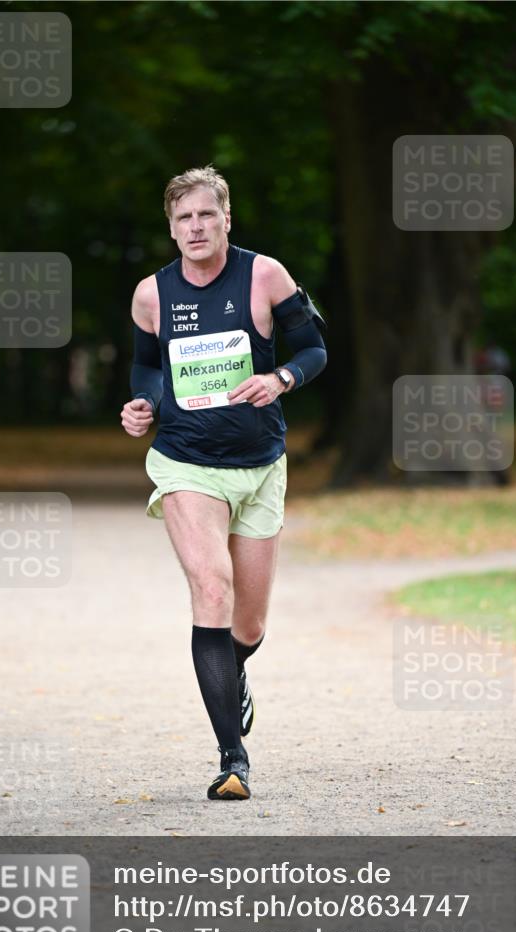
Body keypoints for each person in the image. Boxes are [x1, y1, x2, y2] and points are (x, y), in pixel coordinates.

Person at [120, 166, 327, 800]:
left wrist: (281, 380)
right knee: (212, 588)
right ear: (172, 228)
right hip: (184, 461)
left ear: (226, 218)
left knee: (249, 625)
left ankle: (227, 671)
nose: (195, 227)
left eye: (206, 215)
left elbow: (314, 349)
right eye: (183, 218)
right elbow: (146, 368)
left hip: (261, 463)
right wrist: (142, 406)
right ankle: (232, 759)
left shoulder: (265, 276)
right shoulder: (151, 295)